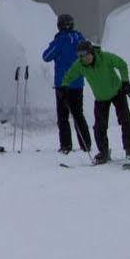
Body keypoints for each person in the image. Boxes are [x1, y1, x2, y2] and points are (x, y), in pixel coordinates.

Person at [61, 40, 130, 165]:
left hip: (117, 92)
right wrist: (64, 87)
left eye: (86, 55)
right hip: (100, 98)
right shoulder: (80, 65)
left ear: (92, 52)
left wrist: (125, 81)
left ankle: (129, 149)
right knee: (99, 127)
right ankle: (103, 152)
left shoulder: (105, 58)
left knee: (125, 120)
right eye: (80, 56)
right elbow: (69, 75)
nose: (84, 58)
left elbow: (122, 64)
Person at [41, 13, 93, 154]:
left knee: (63, 116)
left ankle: (66, 146)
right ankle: (86, 144)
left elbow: (46, 56)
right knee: (78, 115)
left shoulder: (60, 40)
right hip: (77, 84)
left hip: (62, 85)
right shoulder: (80, 39)